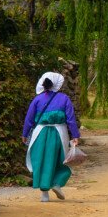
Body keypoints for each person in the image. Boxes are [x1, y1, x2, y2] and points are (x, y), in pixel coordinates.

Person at [22, 71, 80, 202]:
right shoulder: (64, 98)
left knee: (41, 161)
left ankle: (44, 195)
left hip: (40, 133)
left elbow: (29, 119)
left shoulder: (37, 99)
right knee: (60, 160)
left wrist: (25, 134)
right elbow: (71, 119)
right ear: (57, 84)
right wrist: (75, 135)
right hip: (59, 133)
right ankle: (57, 183)